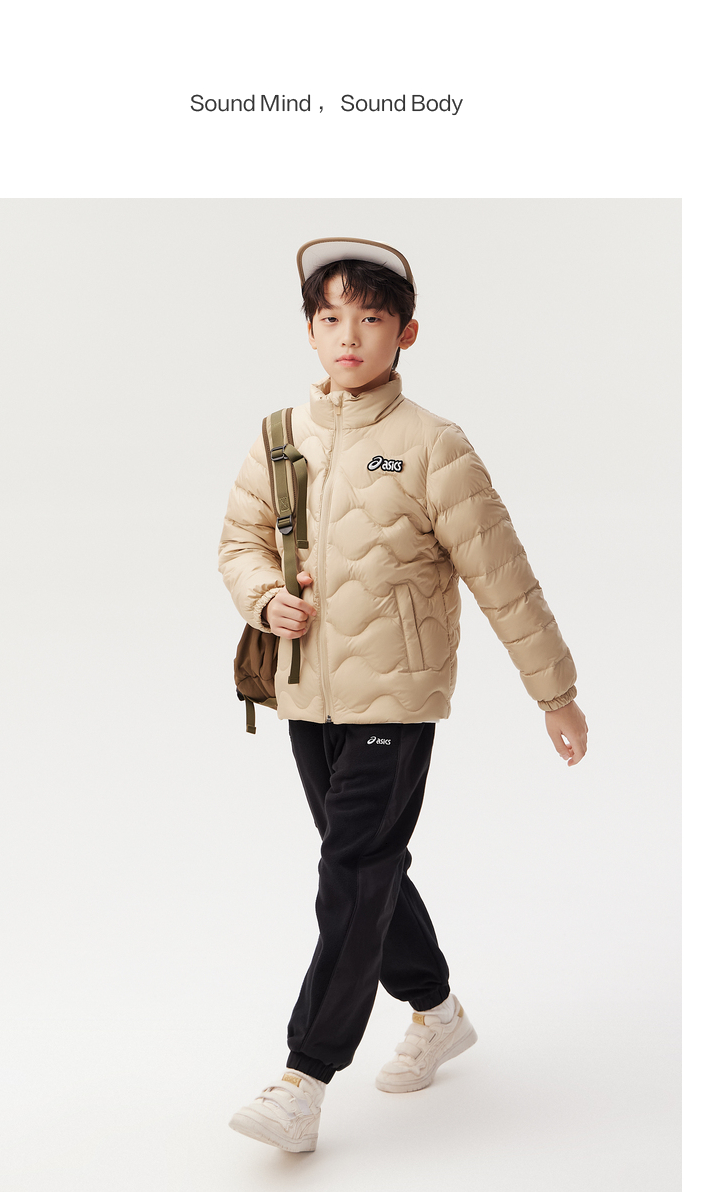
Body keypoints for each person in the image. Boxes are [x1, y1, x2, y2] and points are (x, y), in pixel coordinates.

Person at [218, 236, 588, 1153]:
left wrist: (555, 692)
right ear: (310, 331)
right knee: (367, 866)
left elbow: (505, 577)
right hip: (306, 695)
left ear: (406, 333)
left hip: (398, 701)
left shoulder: (435, 445)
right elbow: (240, 543)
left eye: (372, 318)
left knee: (350, 872)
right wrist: (264, 598)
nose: (350, 336)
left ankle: (304, 1079)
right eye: (332, 317)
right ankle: (438, 1010)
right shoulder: (278, 436)